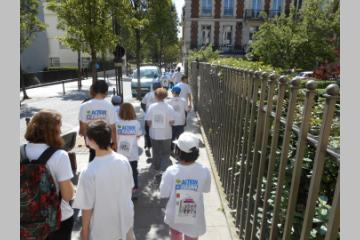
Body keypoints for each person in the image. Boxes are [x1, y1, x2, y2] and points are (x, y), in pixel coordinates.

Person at [73, 120, 135, 240]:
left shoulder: (88, 171)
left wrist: (84, 231)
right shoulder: (123, 160)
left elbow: (86, 207)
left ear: (91, 141)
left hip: (102, 229)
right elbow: (129, 189)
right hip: (125, 222)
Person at [24, 109, 75, 240]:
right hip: (57, 220)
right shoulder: (59, 155)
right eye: (59, 128)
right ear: (53, 131)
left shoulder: (20, 151)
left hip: (25, 219)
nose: (61, 131)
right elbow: (67, 195)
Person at [160, 132, 211, 240]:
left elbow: (163, 192)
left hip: (175, 213)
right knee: (192, 235)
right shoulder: (204, 171)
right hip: (195, 213)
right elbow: (206, 189)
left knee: (175, 234)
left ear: (177, 151)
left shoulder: (171, 171)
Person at [78, 80, 117, 162]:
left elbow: (82, 130)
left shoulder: (84, 106)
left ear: (93, 90)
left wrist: (89, 139)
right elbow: (113, 128)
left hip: (91, 141)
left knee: (92, 162)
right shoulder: (109, 106)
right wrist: (115, 143)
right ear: (106, 92)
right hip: (106, 141)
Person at [145, 88, 176, 173]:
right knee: (166, 152)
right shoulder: (169, 107)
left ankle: (156, 167)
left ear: (156, 96)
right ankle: (164, 168)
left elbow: (148, 123)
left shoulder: (151, 107)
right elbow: (172, 122)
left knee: (156, 152)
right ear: (165, 96)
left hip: (154, 134)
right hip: (166, 134)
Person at [116, 103, 142, 197]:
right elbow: (138, 135)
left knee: (121, 172)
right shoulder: (136, 123)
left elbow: (113, 138)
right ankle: (134, 190)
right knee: (133, 171)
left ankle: (122, 190)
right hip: (132, 153)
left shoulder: (117, 123)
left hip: (119, 153)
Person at [141, 82, 162, 157]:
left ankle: (147, 147)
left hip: (148, 117)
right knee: (158, 132)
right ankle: (157, 149)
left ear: (152, 87)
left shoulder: (148, 94)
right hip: (158, 117)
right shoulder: (161, 94)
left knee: (147, 132)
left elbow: (142, 104)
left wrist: (146, 111)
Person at [166, 86, 188, 151]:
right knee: (180, 137)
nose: (172, 93)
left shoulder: (169, 101)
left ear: (174, 92)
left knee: (172, 137)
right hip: (181, 122)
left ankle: (171, 149)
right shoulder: (184, 100)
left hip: (172, 122)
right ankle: (179, 150)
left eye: (172, 92)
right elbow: (186, 110)